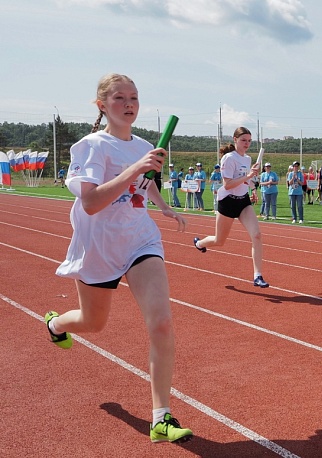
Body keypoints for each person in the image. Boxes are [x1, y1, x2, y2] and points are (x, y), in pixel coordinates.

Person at [46, 73, 192, 443]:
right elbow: (92, 203)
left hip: (140, 240)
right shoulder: (92, 147)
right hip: (98, 246)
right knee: (93, 323)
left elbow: (148, 183)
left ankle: (161, 417)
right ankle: (57, 326)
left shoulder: (142, 144)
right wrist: (134, 169)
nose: (129, 104)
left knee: (161, 324)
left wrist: (164, 208)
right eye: (119, 98)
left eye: (134, 97)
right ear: (102, 106)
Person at [193, 126, 268, 287]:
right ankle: (200, 244)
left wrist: (253, 188)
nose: (246, 143)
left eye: (249, 141)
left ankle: (258, 275)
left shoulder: (247, 159)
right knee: (219, 241)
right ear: (235, 140)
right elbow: (228, 185)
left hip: (243, 201)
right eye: (243, 140)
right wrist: (248, 176)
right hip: (228, 201)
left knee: (257, 235)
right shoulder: (229, 158)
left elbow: (245, 181)